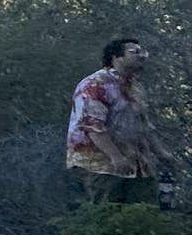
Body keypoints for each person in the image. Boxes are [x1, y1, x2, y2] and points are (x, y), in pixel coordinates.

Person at [65, 37, 161, 205]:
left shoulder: (135, 88)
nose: (141, 56)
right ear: (117, 58)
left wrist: (161, 153)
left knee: (144, 214)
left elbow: (143, 126)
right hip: (101, 165)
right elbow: (92, 126)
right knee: (107, 213)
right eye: (134, 52)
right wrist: (116, 157)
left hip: (136, 165)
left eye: (143, 52)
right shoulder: (95, 84)